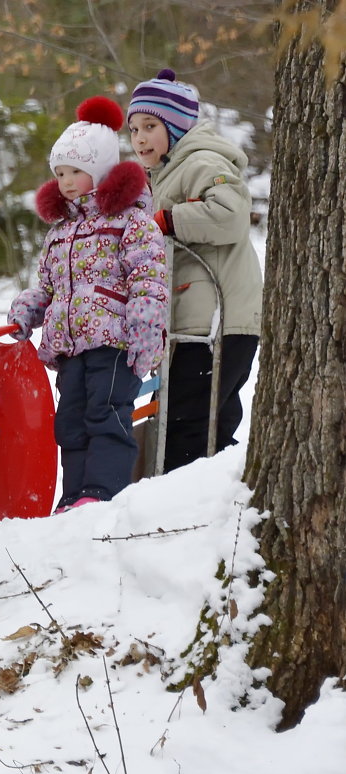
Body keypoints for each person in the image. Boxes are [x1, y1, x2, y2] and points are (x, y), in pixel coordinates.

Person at [8, 97, 168, 513]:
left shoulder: (130, 222)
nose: (65, 181)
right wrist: (26, 310)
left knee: (106, 415)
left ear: (99, 172)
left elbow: (148, 278)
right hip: (70, 347)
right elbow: (47, 285)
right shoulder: (60, 232)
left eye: (75, 172)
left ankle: (101, 493)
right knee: (70, 423)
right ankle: (73, 495)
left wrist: (144, 333)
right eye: (59, 173)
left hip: (115, 344)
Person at [128, 70, 263, 472]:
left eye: (150, 126)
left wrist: (167, 221)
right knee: (211, 425)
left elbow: (230, 214)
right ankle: (217, 502)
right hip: (200, 322)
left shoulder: (202, 161)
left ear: (177, 126)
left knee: (186, 423)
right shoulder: (165, 175)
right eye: (133, 129)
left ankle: (179, 511)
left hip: (216, 323)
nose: (139, 138)